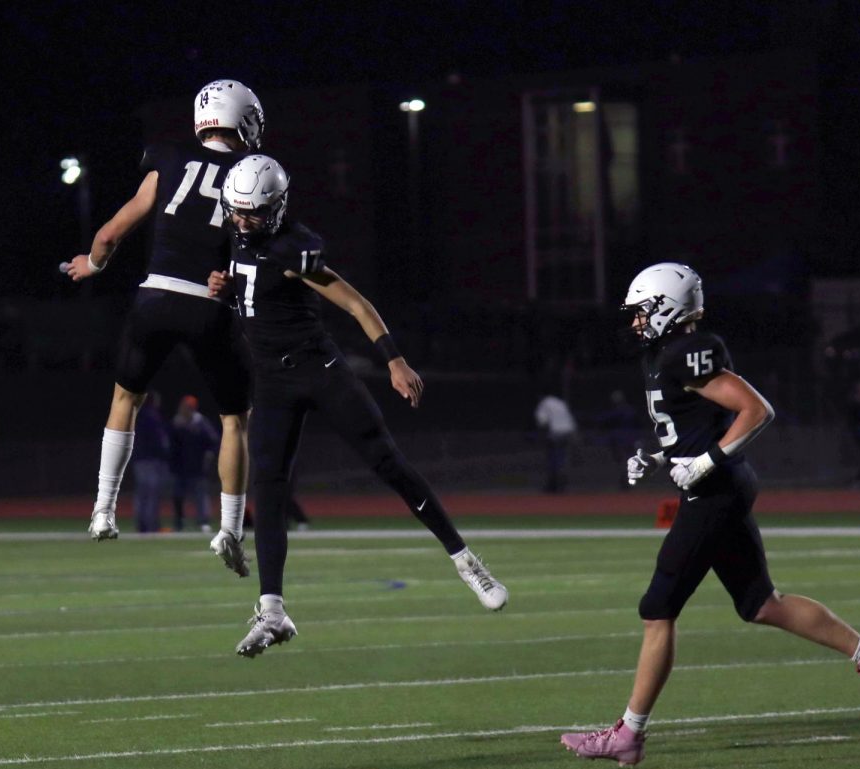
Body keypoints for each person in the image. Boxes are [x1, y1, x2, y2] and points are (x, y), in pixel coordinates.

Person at [560, 263, 860, 766]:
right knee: (761, 603)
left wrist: (706, 462)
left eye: (641, 312)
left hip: (715, 493)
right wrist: (659, 458)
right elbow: (694, 427)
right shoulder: (664, 355)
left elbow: (755, 409)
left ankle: (627, 735)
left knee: (657, 609)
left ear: (665, 309)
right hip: (718, 487)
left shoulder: (686, 352)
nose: (635, 322)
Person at [208, 155, 508, 657]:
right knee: (271, 491)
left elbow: (356, 304)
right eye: (237, 211)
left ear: (277, 208)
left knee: (388, 463)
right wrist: (227, 291)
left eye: (253, 213)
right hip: (272, 383)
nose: (242, 221)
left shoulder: (293, 246)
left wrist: (394, 361)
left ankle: (465, 560)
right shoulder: (238, 233)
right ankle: (272, 610)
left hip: (319, 370)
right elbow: (254, 293)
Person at [63, 79, 263, 576]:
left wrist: (92, 264)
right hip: (209, 305)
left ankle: (103, 511)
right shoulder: (253, 172)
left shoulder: (168, 160)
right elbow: (260, 251)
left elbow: (112, 232)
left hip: (154, 297)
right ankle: (230, 530)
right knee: (235, 422)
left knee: (124, 399)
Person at [169, 394, 220, 532]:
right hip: (180, 467)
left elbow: (213, 441)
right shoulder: (177, 423)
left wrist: (209, 455)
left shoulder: (201, 423)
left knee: (200, 495)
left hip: (197, 466)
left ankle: (203, 521)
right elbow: (172, 445)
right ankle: (179, 522)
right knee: (178, 495)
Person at [131, 391, 171, 533]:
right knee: (151, 495)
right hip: (151, 461)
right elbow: (161, 442)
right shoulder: (153, 417)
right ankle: (151, 525)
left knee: (142, 495)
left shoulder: (138, 416)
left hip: (139, 460)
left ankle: (142, 525)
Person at [534, 385, 578, 493]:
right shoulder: (560, 402)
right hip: (568, 432)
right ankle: (561, 483)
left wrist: (540, 437)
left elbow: (542, 422)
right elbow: (570, 420)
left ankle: (554, 484)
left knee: (553, 459)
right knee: (561, 458)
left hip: (556, 433)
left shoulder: (544, 404)